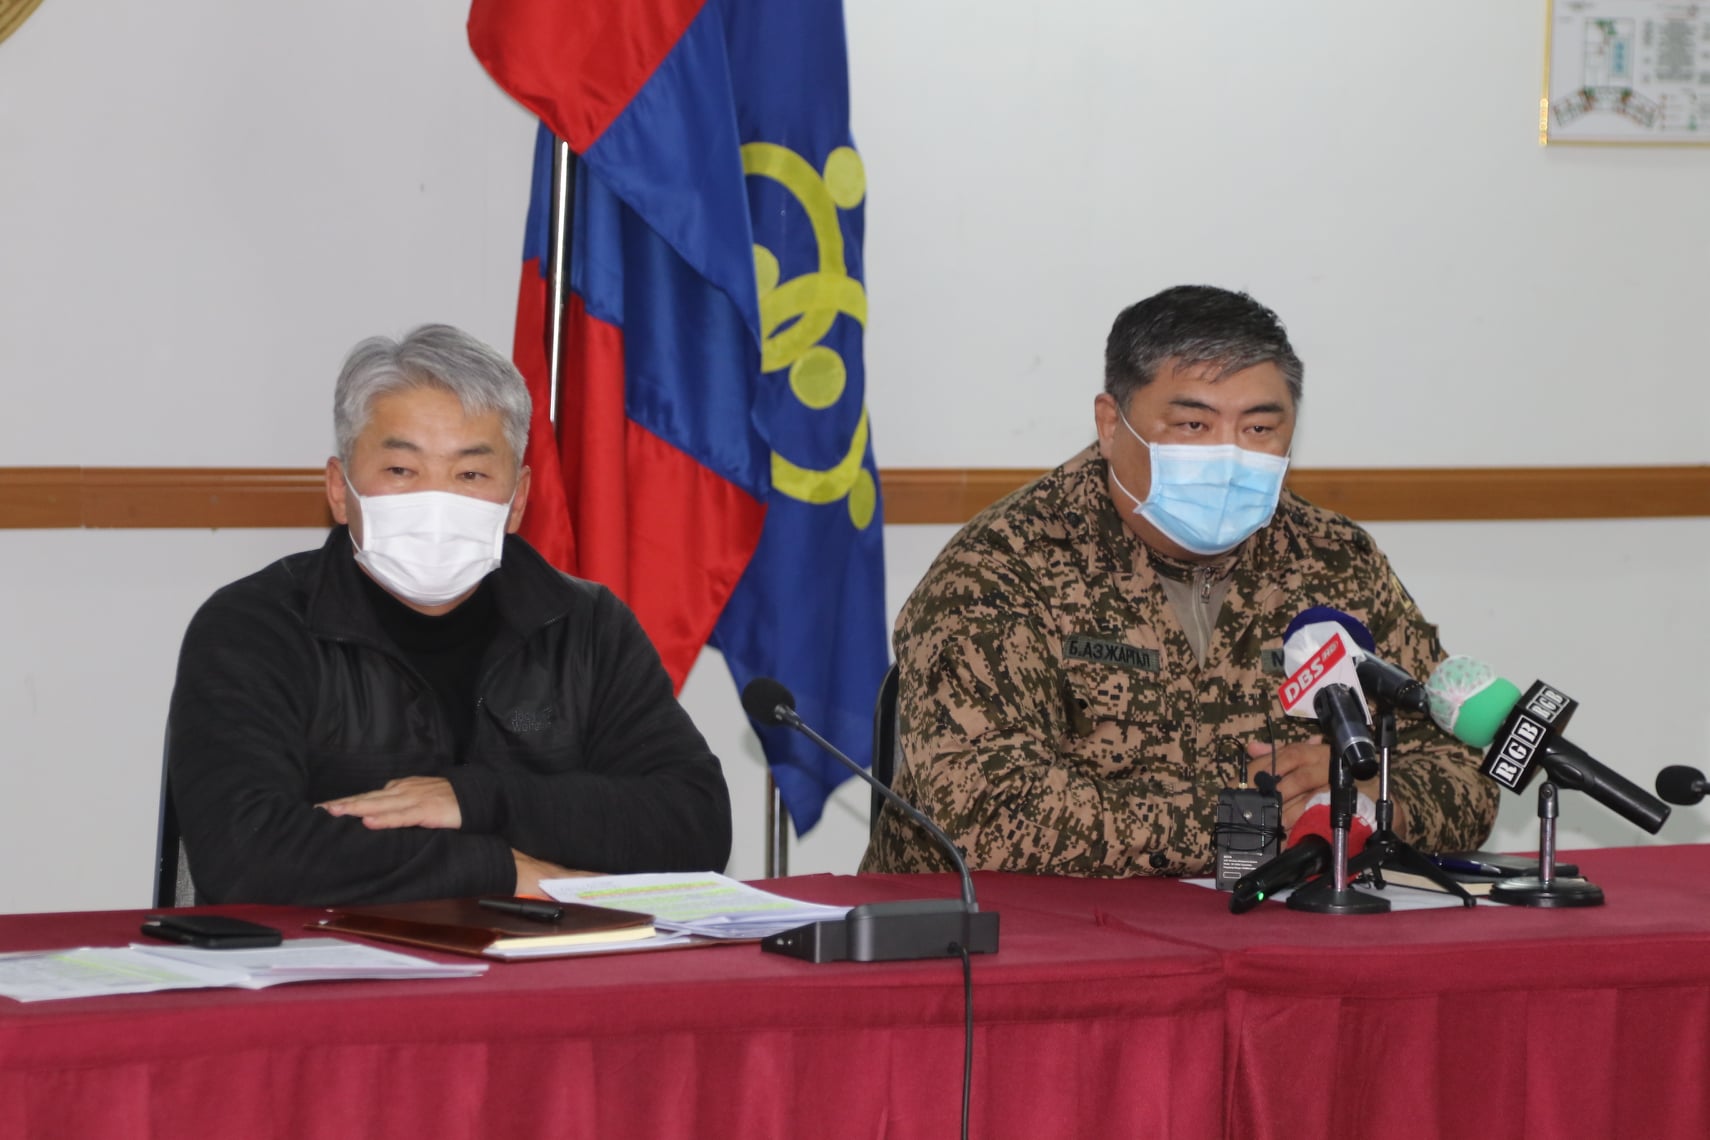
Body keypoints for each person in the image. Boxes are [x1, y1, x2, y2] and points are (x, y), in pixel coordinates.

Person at [863, 285, 1497, 876]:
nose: (1229, 456)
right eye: (1194, 425)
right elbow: (986, 813)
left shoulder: (1334, 560)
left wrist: (1373, 801)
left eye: (1259, 429)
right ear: (1111, 424)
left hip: (1276, 928)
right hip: (1016, 941)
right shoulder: (1002, 566)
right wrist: (1255, 823)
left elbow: (1464, 769)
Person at [167, 325, 731, 905]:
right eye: (401, 471)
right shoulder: (255, 627)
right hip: (330, 960)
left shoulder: (584, 628)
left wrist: (476, 799)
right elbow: (244, 853)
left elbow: (695, 824)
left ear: (518, 499)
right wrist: (502, 872)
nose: (436, 504)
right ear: (339, 489)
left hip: (547, 957)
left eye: (471, 475)